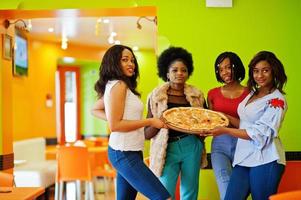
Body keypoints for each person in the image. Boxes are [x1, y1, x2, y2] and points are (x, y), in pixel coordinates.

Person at [201, 51, 288, 200]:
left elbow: (259, 134)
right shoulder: (253, 93)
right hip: (244, 158)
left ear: (274, 72)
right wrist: (224, 118)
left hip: (266, 158)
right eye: (256, 71)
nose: (260, 75)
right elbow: (245, 122)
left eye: (265, 70)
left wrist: (224, 130)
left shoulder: (277, 100)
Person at [92, 45, 171, 200]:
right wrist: (149, 121)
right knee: (163, 197)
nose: (131, 64)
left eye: (132, 60)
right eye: (124, 60)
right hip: (123, 152)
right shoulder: (118, 85)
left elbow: (94, 109)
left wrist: (114, 117)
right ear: (114, 62)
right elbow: (115, 125)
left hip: (130, 151)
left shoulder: (119, 86)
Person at [145, 47, 206, 200]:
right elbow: (147, 133)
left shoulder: (197, 95)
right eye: (175, 70)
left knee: (190, 191)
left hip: (191, 145)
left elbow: (206, 123)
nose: (179, 73)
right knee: (164, 192)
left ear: (188, 73)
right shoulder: (155, 97)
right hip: (166, 148)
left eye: (183, 70)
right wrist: (160, 122)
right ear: (167, 73)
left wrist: (200, 137)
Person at [207, 52, 249, 200]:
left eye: (229, 67)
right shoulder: (212, 94)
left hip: (244, 145)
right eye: (221, 69)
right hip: (219, 146)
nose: (225, 72)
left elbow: (251, 127)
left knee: (239, 192)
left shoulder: (251, 93)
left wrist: (227, 118)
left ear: (236, 67)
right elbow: (210, 122)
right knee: (225, 187)